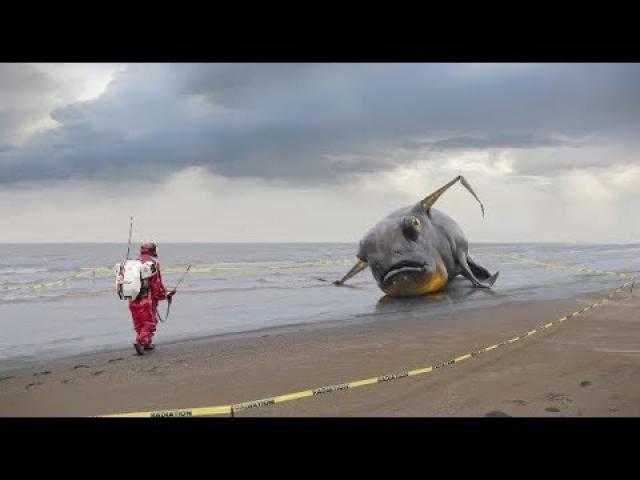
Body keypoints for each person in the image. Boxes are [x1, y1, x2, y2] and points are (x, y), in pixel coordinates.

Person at [128, 242, 175, 355]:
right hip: (146, 299)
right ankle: (140, 342)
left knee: (139, 323)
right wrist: (166, 294)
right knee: (150, 322)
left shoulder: (134, 263)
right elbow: (156, 284)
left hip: (132, 297)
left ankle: (147, 343)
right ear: (153, 250)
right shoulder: (153, 263)